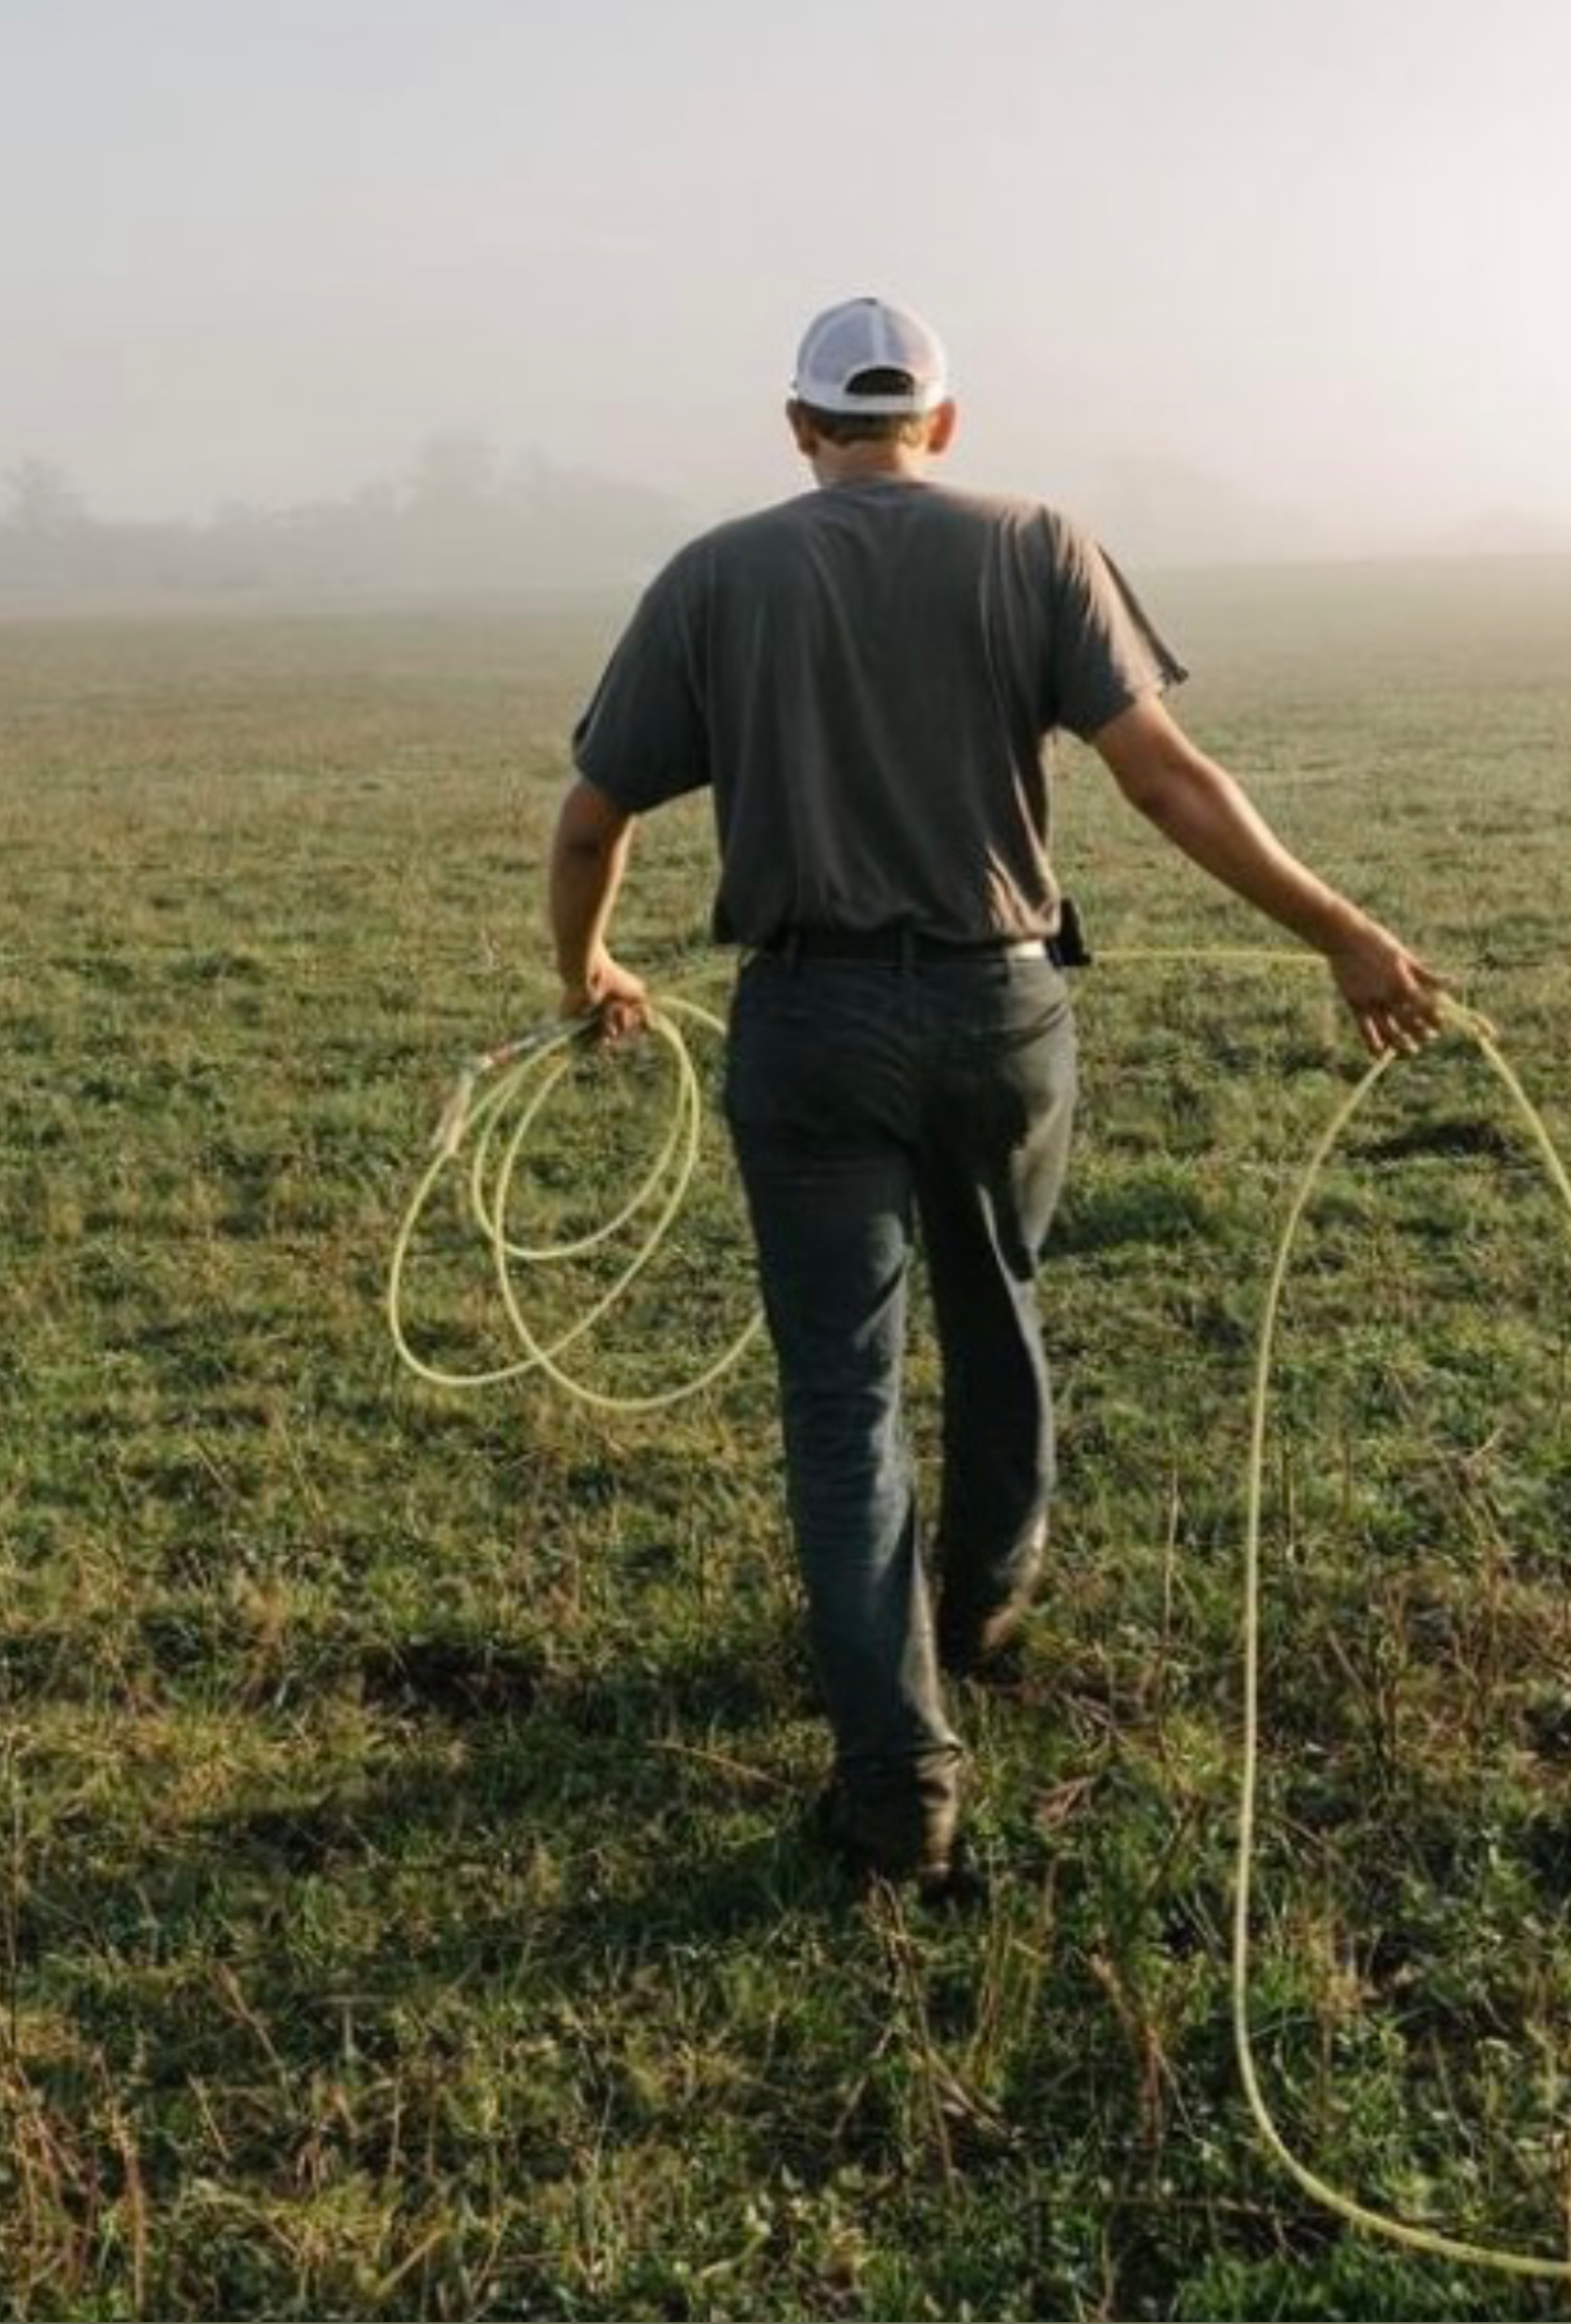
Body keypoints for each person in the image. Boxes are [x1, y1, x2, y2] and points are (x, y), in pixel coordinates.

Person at [547, 294, 1449, 1889]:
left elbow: (589, 820)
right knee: (995, 1300)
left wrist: (587, 971)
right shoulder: (1038, 543)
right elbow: (1167, 777)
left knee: (843, 1398)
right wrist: (1343, 933)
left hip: (808, 1020)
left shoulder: (715, 575)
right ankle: (979, 1607)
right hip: (1003, 1006)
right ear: (942, 422)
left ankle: (898, 1780)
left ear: (800, 426)